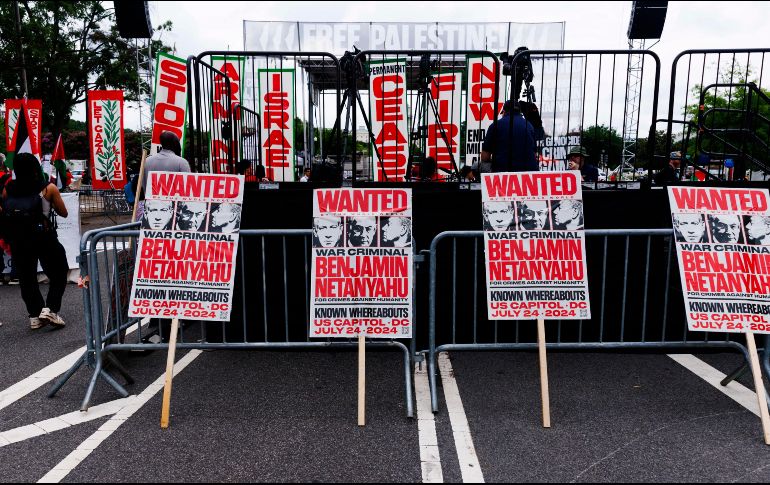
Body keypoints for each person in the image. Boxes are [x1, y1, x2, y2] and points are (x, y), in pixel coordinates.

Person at [1, 153, 69, 329]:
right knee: (59, 271)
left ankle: (34, 315)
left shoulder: (8, 188)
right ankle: (51, 309)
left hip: (18, 238)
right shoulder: (48, 188)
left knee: (27, 278)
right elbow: (63, 212)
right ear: (35, 168)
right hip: (43, 237)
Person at [480, 100, 539, 173]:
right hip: (529, 172)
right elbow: (534, 154)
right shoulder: (529, 126)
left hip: (503, 172)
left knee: (478, 165)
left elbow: (485, 157)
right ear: (519, 112)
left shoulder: (495, 126)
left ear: (504, 112)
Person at [141, 132, 191, 198]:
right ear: (175, 143)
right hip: (174, 203)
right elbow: (188, 188)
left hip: (150, 202)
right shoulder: (181, 162)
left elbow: (143, 184)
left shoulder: (146, 161)